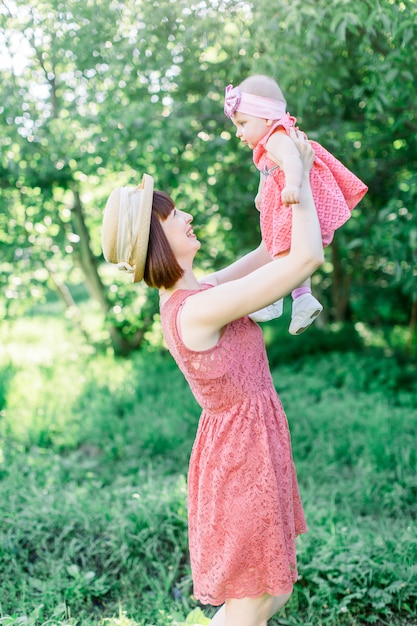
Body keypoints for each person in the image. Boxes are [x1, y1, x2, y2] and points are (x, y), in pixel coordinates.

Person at [101, 137, 324, 626]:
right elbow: (302, 263)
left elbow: (272, 250)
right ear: (157, 240)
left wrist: (280, 176)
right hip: (239, 459)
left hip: (251, 447)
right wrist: (302, 186)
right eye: (173, 215)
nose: (186, 218)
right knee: (254, 602)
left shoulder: (203, 291)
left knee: (271, 594)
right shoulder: (198, 308)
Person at [224, 74, 368, 334]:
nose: (238, 132)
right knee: (289, 251)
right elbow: (265, 170)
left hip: (291, 202)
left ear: (266, 118)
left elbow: (291, 160)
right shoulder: (268, 142)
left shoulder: (277, 138)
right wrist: (260, 193)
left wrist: (292, 185)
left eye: (243, 123)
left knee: (280, 251)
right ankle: (303, 298)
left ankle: (273, 299)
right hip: (288, 203)